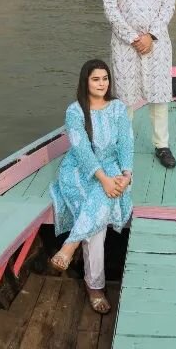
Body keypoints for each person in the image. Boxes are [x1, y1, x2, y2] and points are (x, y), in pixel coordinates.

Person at [48, 59, 133, 314]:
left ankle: (70, 246)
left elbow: (126, 143)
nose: (101, 84)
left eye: (105, 79)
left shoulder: (117, 107)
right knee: (97, 220)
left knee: (97, 215)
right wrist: (104, 180)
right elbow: (82, 150)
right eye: (96, 79)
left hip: (113, 168)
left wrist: (126, 174)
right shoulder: (75, 111)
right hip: (79, 171)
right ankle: (94, 286)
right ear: (86, 81)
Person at [100, 0, 176, 168]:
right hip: (125, 44)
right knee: (126, 97)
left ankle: (162, 145)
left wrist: (151, 35)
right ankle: (124, 145)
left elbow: (169, 3)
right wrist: (134, 38)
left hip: (157, 42)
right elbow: (111, 10)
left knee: (159, 96)